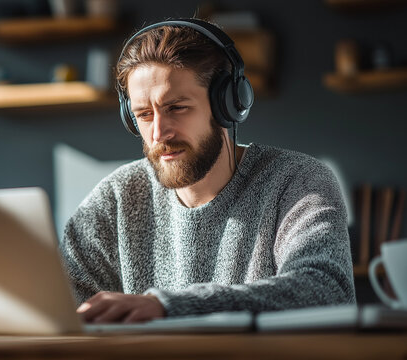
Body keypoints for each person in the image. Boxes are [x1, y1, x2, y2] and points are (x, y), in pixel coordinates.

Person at [59, 19, 356, 324]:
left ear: (227, 104)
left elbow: (326, 290)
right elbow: (58, 303)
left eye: (176, 108)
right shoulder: (117, 197)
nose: (159, 133)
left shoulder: (298, 181)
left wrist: (170, 306)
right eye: (144, 115)